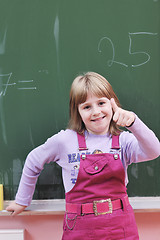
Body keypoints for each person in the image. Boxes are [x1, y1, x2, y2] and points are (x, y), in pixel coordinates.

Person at [6, 72, 160, 239]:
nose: (96, 112)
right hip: (79, 229)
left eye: (101, 103)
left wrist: (133, 122)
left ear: (113, 104)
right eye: (87, 107)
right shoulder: (64, 140)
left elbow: (154, 151)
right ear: (77, 111)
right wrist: (22, 200)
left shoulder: (124, 141)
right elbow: (33, 161)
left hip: (121, 227)